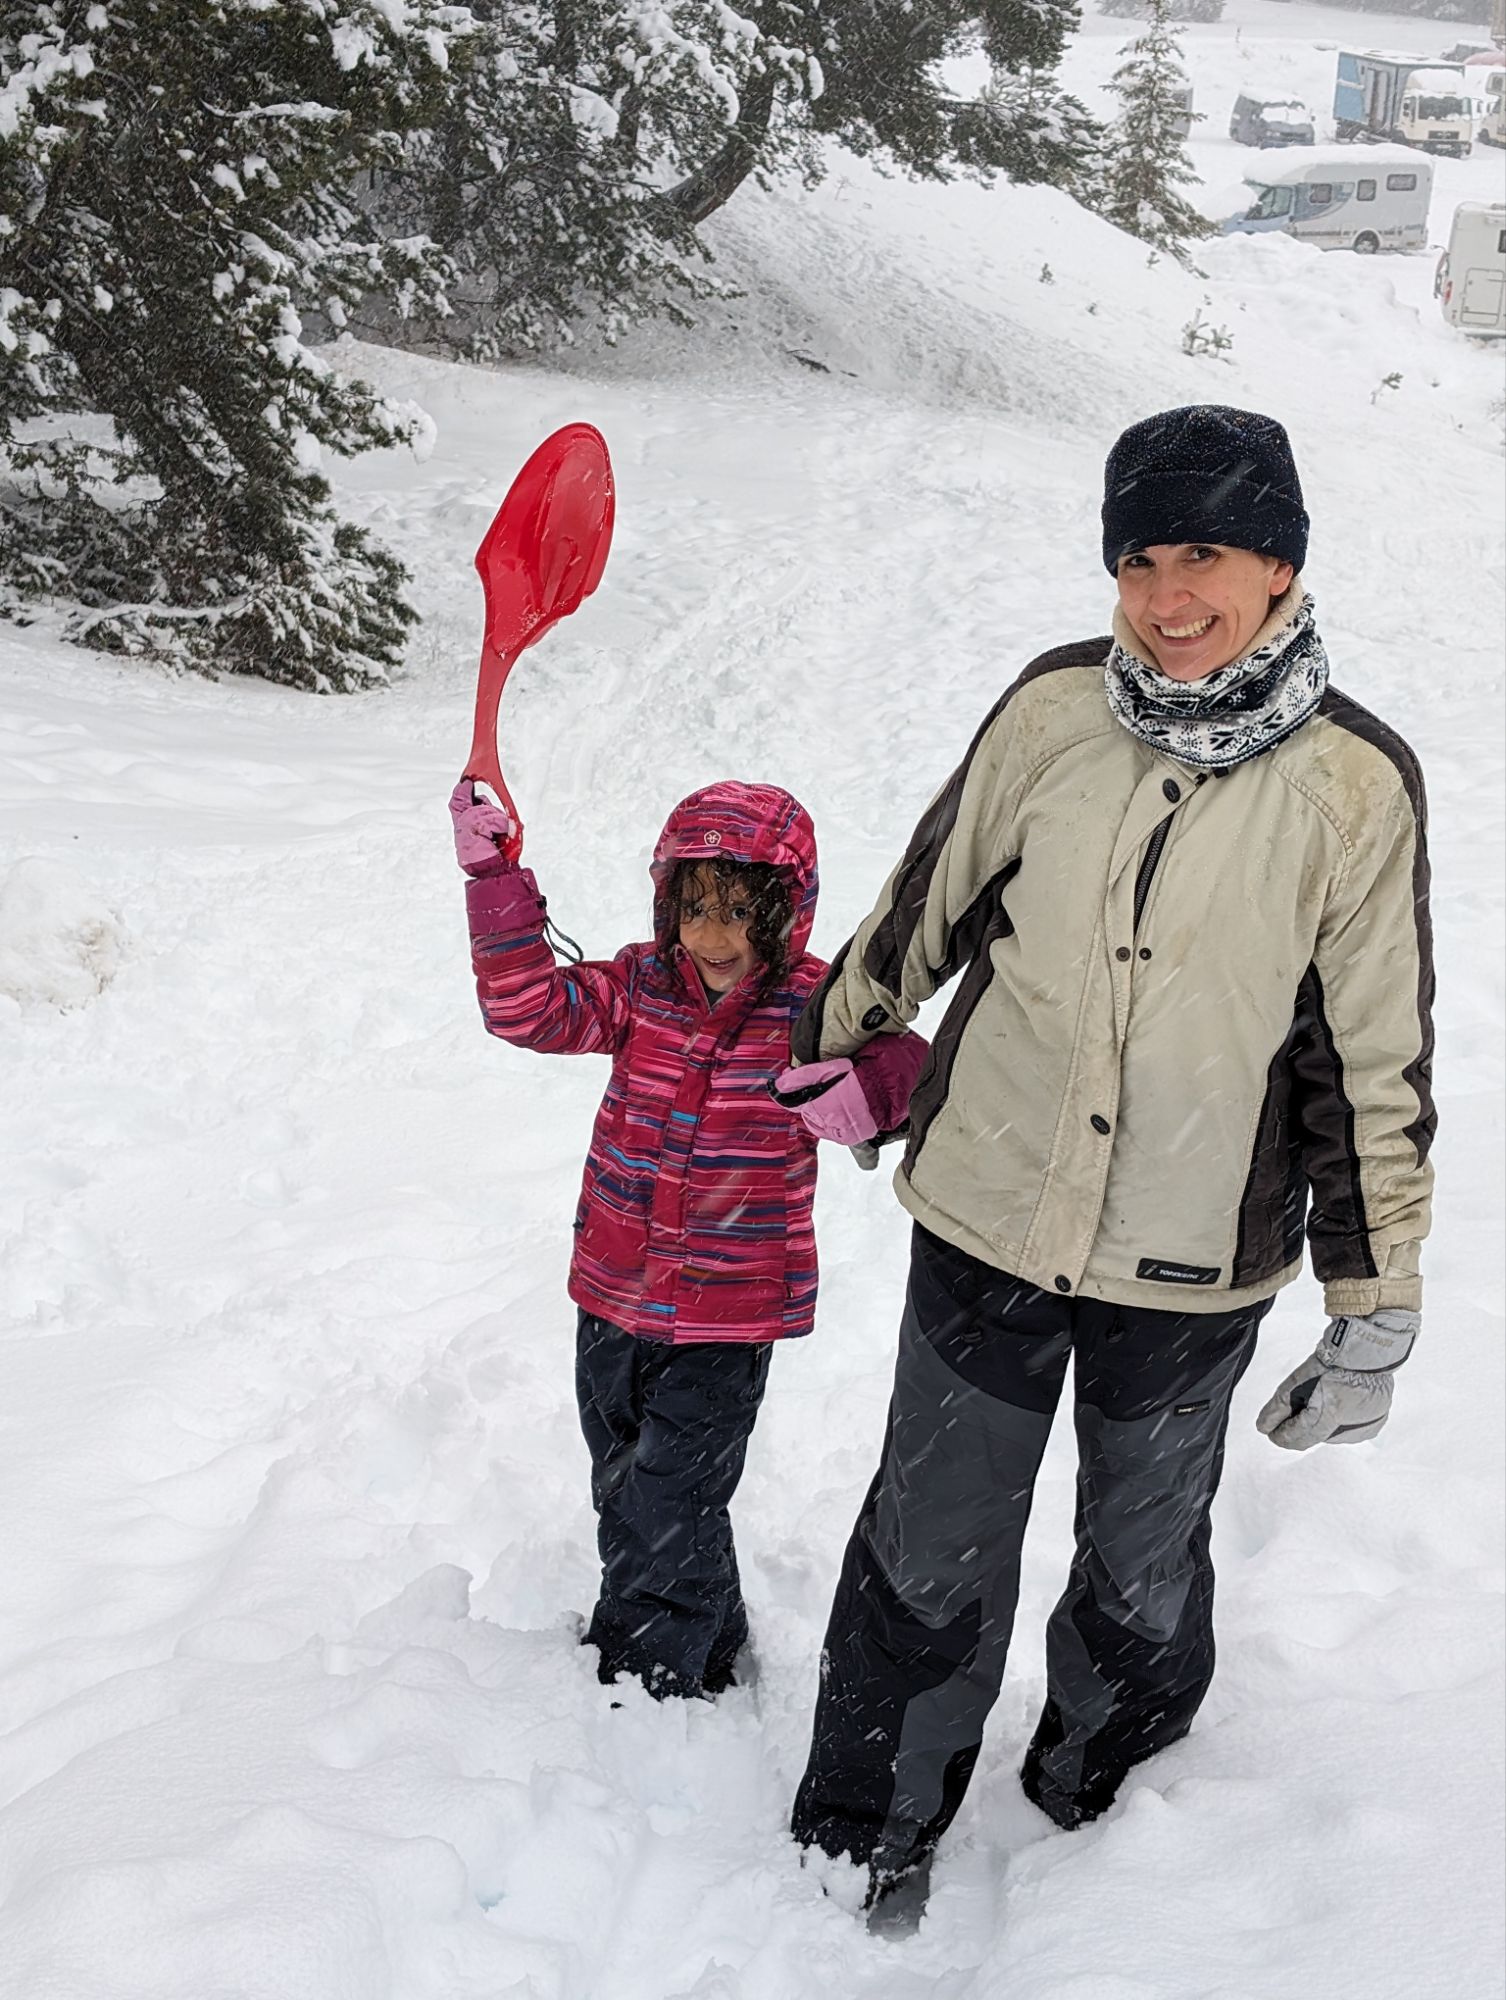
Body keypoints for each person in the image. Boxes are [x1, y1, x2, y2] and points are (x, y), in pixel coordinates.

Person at [778, 405, 1435, 1905]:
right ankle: (868, 1824)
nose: (1165, 597)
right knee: (929, 1542)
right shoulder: (1053, 711)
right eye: (1137, 560)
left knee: (1142, 1563)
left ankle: (1107, 1825)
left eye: (1201, 555)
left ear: (1278, 565)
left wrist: (1374, 1293)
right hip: (989, 1212)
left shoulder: (1355, 786)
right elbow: (927, 898)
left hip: (1192, 1263)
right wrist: (835, 1036)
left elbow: (1371, 1063)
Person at [449, 778, 925, 1700]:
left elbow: (901, 1057)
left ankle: (649, 1677)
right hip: (613, 1290)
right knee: (628, 1478)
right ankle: (711, 1634)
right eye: (695, 907)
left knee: (671, 1492)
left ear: (785, 912)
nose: (712, 935)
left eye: (740, 912)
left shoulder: (813, 1006)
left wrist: (877, 1089)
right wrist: (495, 881)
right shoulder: (639, 986)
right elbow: (527, 1009)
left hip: (728, 1309)